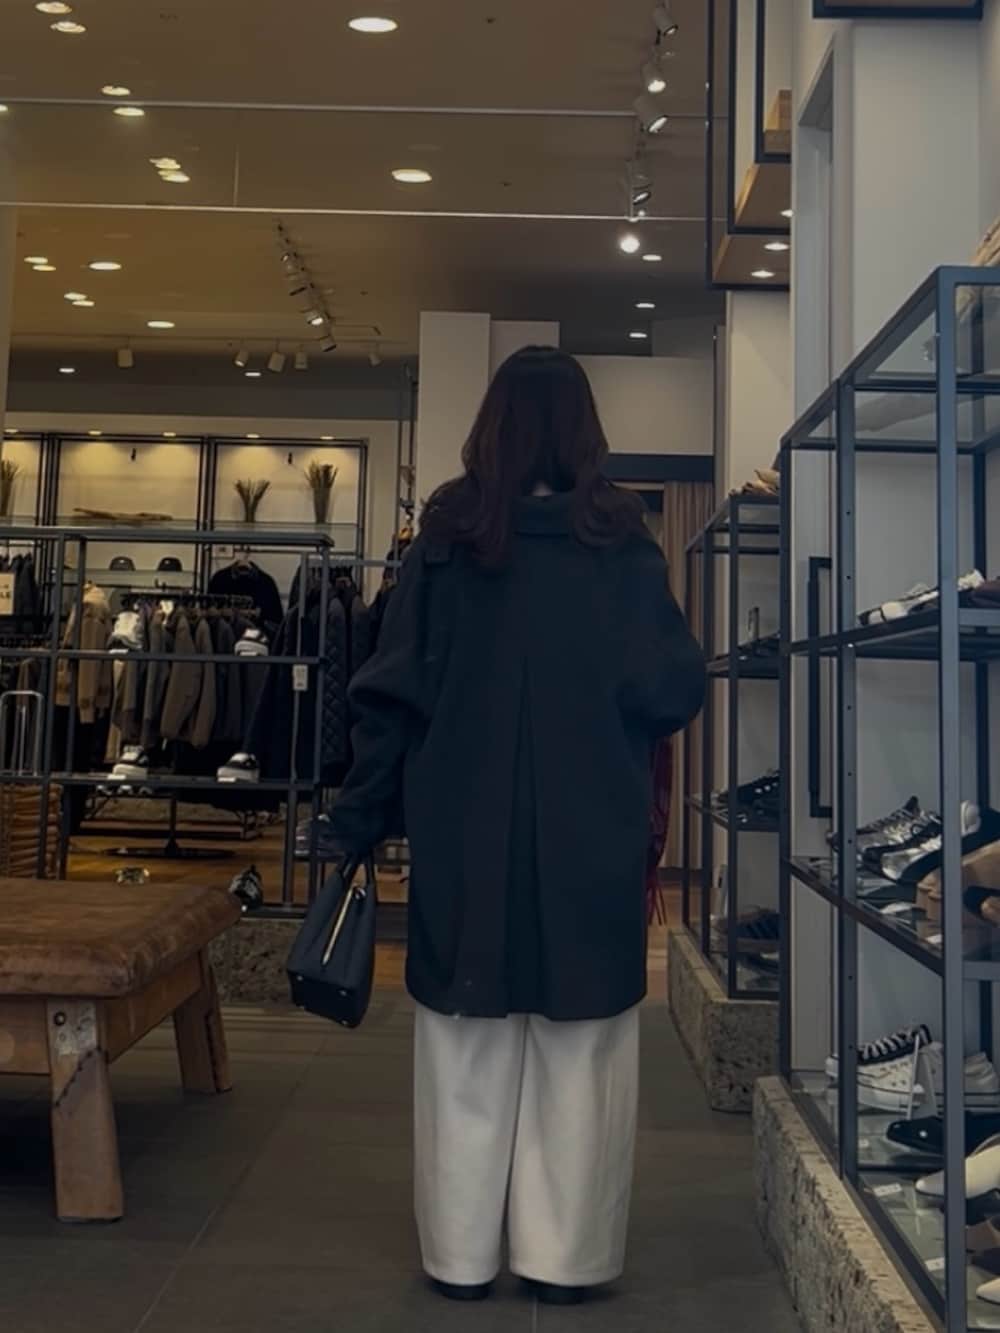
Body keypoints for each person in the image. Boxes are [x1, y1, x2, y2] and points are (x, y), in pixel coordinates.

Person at [327, 346, 706, 1305]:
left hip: (465, 832)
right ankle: (565, 1257)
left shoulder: (446, 541)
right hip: (589, 828)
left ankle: (460, 1254)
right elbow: (672, 688)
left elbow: (390, 693)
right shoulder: (621, 544)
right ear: (585, 430)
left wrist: (359, 815)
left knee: (463, 1043)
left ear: (490, 426)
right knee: (581, 1049)